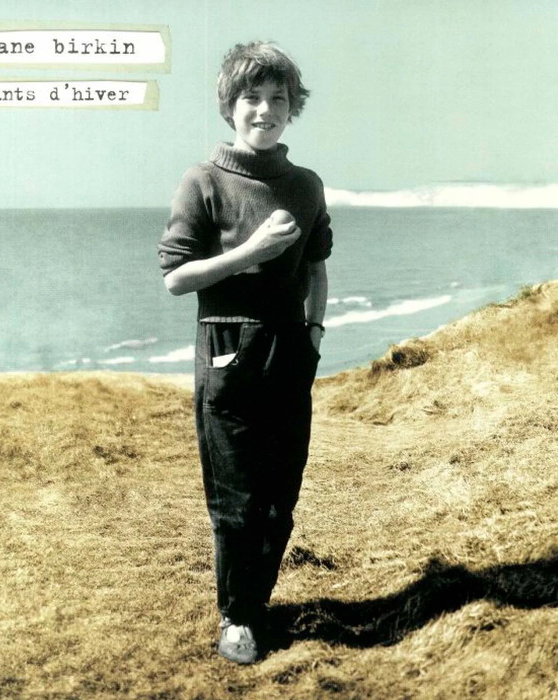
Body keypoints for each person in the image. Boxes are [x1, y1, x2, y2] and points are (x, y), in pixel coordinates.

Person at [158, 41, 332, 664]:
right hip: (227, 348)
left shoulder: (306, 185)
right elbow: (176, 278)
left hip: (291, 346)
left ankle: (255, 604)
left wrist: (314, 333)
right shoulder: (202, 181)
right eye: (251, 98)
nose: (265, 110)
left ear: (292, 108)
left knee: (280, 499)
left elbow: (316, 267)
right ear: (230, 107)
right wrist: (250, 253)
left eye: (277, 98)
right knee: (237, 503)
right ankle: (238, 618)